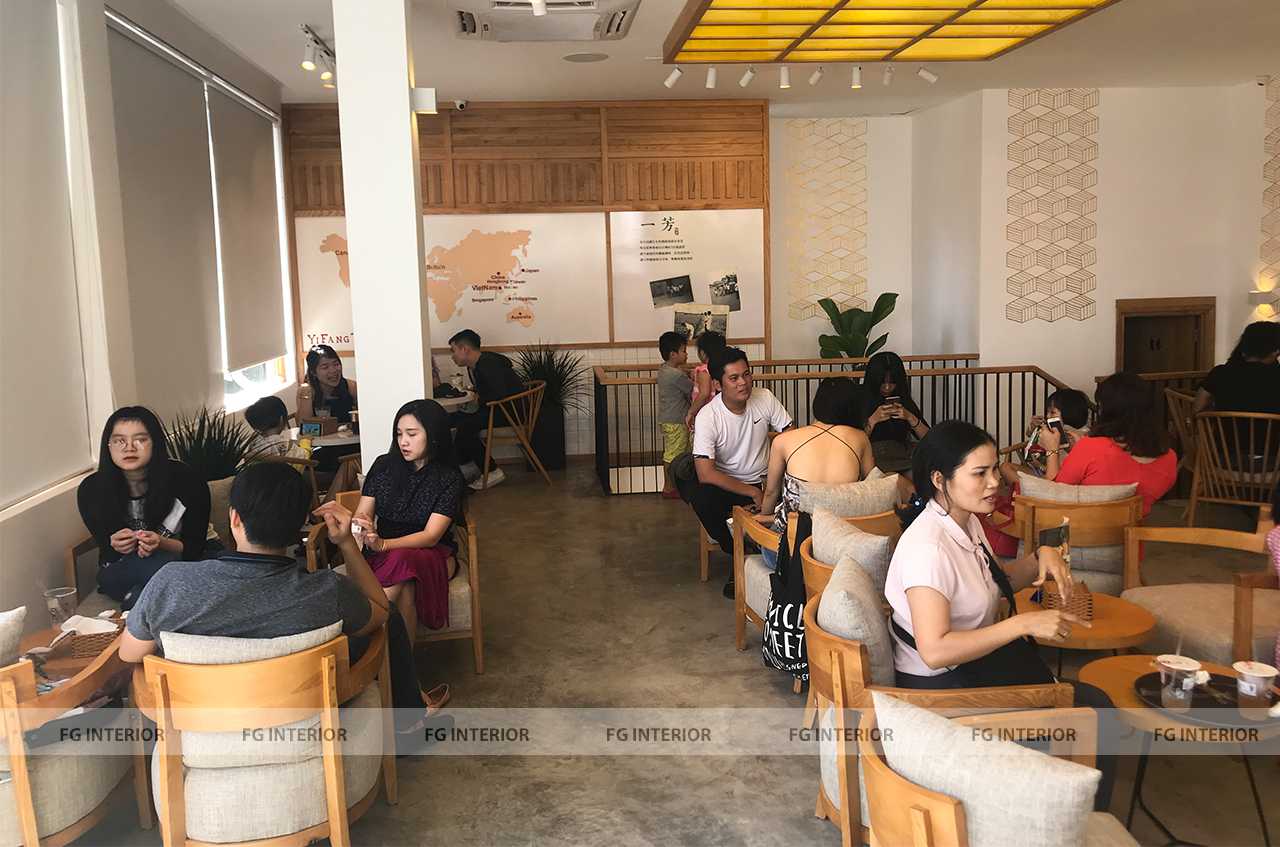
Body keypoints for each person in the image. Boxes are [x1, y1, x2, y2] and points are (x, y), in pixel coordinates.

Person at [117, 462, 449, 743]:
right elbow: (381, 611)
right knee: (391, 617)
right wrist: (348, 543)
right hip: (299, 727)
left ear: (235, 518)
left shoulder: (171, 584)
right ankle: (407, 728)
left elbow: (129, 653)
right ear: (298, 527)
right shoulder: (328, 591)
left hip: (202, 734)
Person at [883, 420, 1115, 810]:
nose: (995, 482)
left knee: (1094, 704)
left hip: (973, 669)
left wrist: (1041, 555)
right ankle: (1076, 819)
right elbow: (935, 651)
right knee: (1097, 712)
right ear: (940, 480)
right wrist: (1020, 623)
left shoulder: (965, 521)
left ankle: (1072, 813)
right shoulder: (928, 549)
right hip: (939, 691)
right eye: (980, 473)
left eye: (994, 469)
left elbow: (994, 580)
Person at [77, 407, 218, 610]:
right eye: (119, 441)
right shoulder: (92, 490)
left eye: (140, 440)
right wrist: (116, 545)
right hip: (128, 564)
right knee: (147, 565)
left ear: (155, 442)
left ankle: (137, 602)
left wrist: (161, 542)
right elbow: (109, 553)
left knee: (164, 566)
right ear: (108, 446)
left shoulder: (187, 481)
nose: (129, 448)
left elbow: (194, 549)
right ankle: (162, 602)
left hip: (190, 559)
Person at [354, 399, 464, 644]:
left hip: (431, 552)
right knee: (406, 590)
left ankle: (361, 637)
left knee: (402, 558)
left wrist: (383, 544)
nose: (403, 441)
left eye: (412, 434)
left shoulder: (448, 478)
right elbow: (362, 515)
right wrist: (359, 528)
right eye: (399, 434)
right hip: (382, 552)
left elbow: (431, 536)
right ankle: (402, 667)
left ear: (433, 436)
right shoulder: (383, 466)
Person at [690, 347, 794, 595]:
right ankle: (739, 552)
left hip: (768, 482)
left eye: (746, 374)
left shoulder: (764, 398)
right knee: (701, 498)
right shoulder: (708, 417)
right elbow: (705, 474)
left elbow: (791, 437)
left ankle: (784, 557)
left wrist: (773, 481)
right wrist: (752, 492)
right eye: (734, 378)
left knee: (803, 494)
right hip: (730, 486)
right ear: (717, 384)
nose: (743, 383)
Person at [757, 377, 874, 569]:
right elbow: (871, 490)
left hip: (787, 554)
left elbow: (770, 492)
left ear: (817, 405)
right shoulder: (860, 438)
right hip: (839, 552)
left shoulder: (783, 440)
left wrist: (763, 522)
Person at [1040, 372, 1176, 515]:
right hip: (1131, 527)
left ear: (1107, 410)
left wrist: (1052, 450)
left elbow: (1054, 493)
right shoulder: (1169, 457)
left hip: (1081, 526)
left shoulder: (1091, 447)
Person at [448, 329, 526, 490]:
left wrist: (478, 399)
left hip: (510, 413)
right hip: (496, 409)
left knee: (463, 427)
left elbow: (499, 393)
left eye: (453, 350)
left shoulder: (487, 364)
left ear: (465, 348)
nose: (452, 356)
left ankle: (492, 470)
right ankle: (468, 463)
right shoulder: (475, 366)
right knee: (452, 419)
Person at [998, 388, 1090, 487]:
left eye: (1052, 412)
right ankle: (1032, 490)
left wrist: (1040, 466)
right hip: (1042, 473)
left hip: (1057, 478)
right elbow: (1029, 434)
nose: (1048, 416)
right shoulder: (1055, 427)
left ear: (1069, 413)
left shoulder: (1082, 436)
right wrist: (1032, 426)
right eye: (1048, 412)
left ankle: (1032, 491)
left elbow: (1063, 474)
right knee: (1005, 467)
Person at [1192, 321, 1280, 417]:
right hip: (1271, 427)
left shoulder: (1220, 373)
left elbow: (1197, 408)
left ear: (1243, 349)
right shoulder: (1276, 376)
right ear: (1275, 352)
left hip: (1224, 427)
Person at [862, 351, 929, 472]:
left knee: (918, 478)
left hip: (901, 457)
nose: (887, 387)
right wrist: (873, 420)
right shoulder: (860, 398)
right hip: (873, 459)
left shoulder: (903, 400)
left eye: (892, 382)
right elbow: (853, 441)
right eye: (882, 382)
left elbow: (930, 438)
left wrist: (909, 417)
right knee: (898, 480)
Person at [657, 331, 694, 500]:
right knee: (673, 454)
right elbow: (692, 389)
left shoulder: (664, 369)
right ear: (673, 354)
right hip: (676, 421)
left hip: (668, 419)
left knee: (680, 452)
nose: (686, 354)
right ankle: (669, 487)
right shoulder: (676, 374)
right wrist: (696, 375)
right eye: (684, 350)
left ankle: (677, 486)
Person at [297, 344, 358, 422]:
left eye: (336, 364)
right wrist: (307, 394)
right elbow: (302, 424)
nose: (333, 370)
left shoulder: (351, 387)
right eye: (325, 367)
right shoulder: (306, 391)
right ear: (313, 372)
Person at [244, 396, 310, 462]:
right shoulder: (284, 444)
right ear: (281, 419)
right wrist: (305, 441)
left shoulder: (254, 443)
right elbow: (304, 458)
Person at [685, 330, 726, 430]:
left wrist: (691, 411)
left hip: (705, 416)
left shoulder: (704, 371)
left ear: (702, 353)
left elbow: (704, 394)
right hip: (721, 414)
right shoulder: (724, 369)